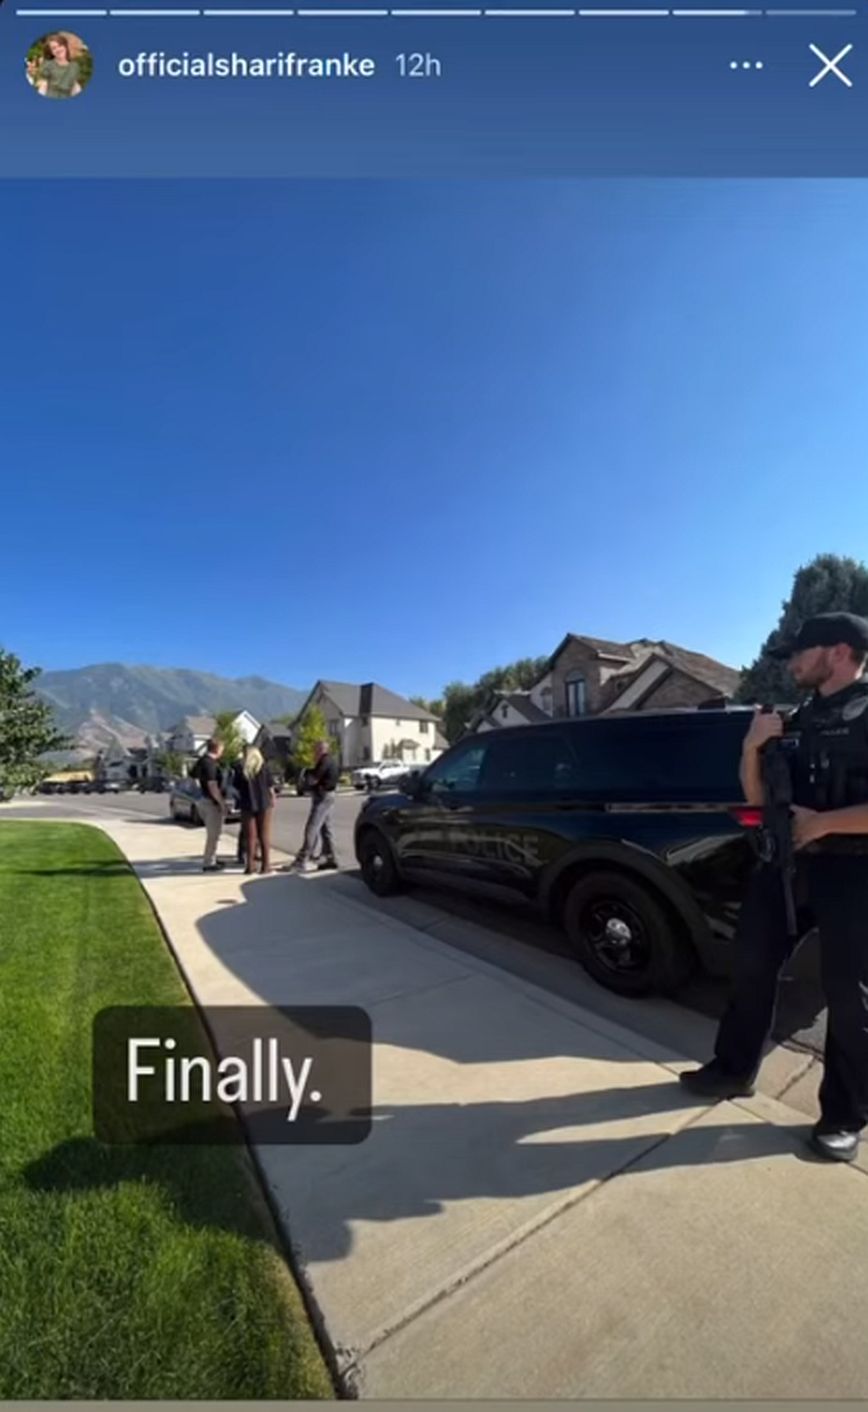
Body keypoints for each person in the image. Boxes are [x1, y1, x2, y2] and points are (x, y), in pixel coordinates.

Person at [680, 611, 868, 1164]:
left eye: (799, 653)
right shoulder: (796, 717)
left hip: (854, 871)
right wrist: (751, 748)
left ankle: (844, 1116)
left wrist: (825, 823)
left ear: (838, 652)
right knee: (751, 966)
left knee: (848, 994)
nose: (791, 664)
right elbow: (758, 798)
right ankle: (732, 1070)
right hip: (786, 864)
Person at [291, 740, 339, 873]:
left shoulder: (324, 761)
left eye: (315, 750)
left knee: (312, 827)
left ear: (321, 750)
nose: (313, 753)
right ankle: (330, 857)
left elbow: (314, 779)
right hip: (329, 795)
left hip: (323, 797)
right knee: (325, 828)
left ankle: (302, 860)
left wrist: (305, 782)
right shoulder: (331, 761)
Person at [233, 744, 276, 875]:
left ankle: (250, 866)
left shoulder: (241, 768)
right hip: (264, 803)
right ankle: (265, 866)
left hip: (247, 803)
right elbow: (270, 786)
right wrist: (273, 798)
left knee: (250, 836)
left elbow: (236, 786)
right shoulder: (264, 767)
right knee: (264, 835)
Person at [192, 738, 227, 873]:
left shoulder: (201, 761)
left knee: (213, 833)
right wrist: (221, 803)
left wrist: (199, 792)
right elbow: (212, 785)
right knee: (213, 834)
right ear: (217, 748)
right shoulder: (210, 764)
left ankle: (212, 857)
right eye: (222, 749)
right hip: (211, 802)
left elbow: (193, 777)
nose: (223, 751)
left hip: (203, 799)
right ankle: (209, 862)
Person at [35, 34, 83, 99]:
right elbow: (43, 85)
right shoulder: (48, 65)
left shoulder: (74, 66)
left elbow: (75, 87)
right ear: (51, 52)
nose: (58, 49)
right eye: (54, 48)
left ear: (65, 46)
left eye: (60, 45)